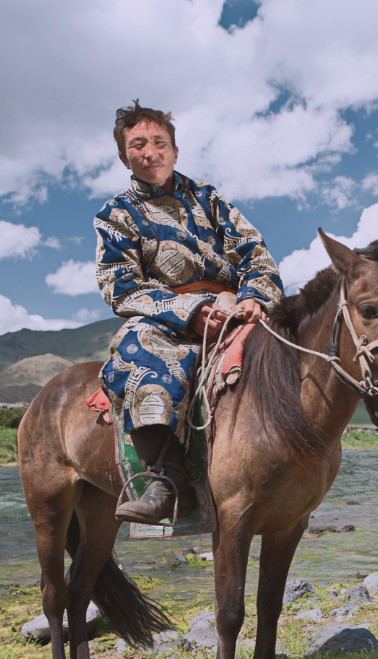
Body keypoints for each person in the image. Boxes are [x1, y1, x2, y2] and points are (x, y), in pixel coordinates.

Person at [95, 101, 283, 525]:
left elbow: (255, 253)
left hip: (232, 305)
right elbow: (119, 285)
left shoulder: (209, 199)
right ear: (124, 156)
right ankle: (166, 481)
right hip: (162, 317)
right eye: (137, 145)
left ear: (175, 152)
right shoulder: (115, 215)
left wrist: (254, 295)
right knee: (136, 350)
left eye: (159, 143)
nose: (150, 152)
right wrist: (190, 311)